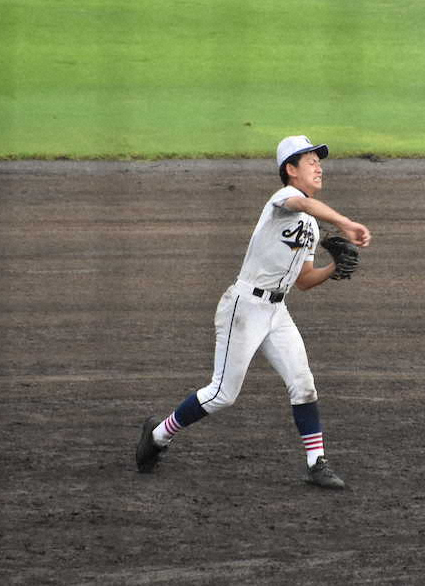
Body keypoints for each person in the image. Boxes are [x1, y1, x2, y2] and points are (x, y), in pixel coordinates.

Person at [135, 135, 372, 489]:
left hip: (277, 312)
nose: (318, 166)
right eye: (310, 161)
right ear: (290, 170)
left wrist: (332, 270)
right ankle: (157, 436)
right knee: (221, 394)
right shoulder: (283, 200)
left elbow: (304, 281)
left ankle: (316, 463)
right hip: (244, 307)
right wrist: (346, 223)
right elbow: (303, 205)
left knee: (303, 385)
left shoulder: (309, 227)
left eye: (318, 161)